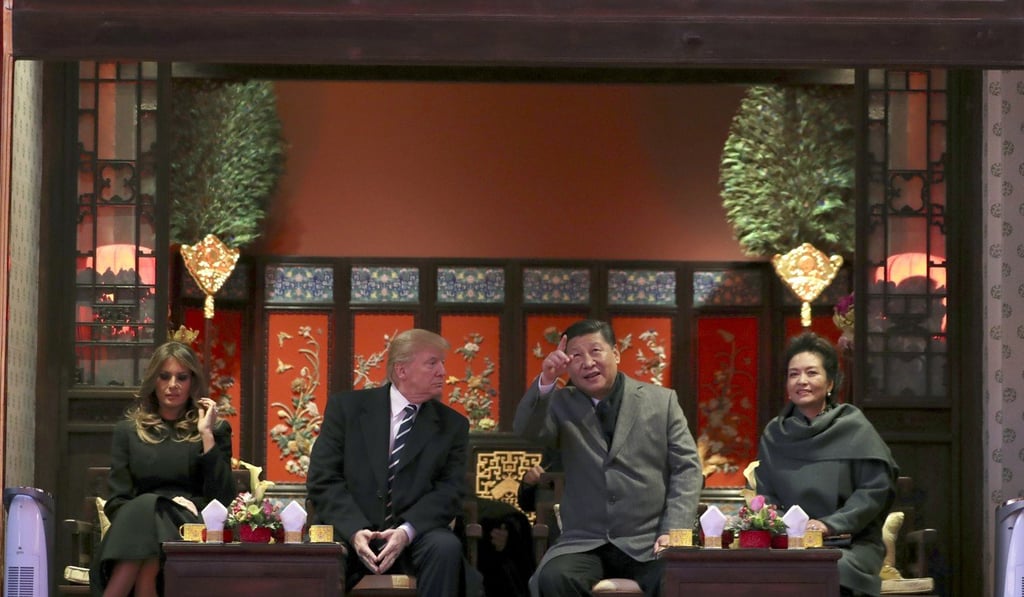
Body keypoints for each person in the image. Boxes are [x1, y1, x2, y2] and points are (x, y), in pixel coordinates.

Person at [513, 319, 703, 597]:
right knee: (554, 578)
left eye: (596, 351)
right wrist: (547, 380)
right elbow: (527, 431)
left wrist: (674, 532)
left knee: (683, 578)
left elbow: (687, 468)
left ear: (615, 353)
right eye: (576, 356)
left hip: (650, 541)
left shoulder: (662, 401)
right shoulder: (559, 402)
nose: (587, 362)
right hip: (584, 542)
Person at [307, 328, 474, 595]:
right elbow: (322, 478)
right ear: (401, 370)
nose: (443, 371)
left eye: (442, 363)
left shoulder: (453, 426)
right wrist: (354, 530)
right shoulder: (347, 408)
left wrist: (406, 532)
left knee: (446, 548)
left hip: (415, 535)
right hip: (349, 531)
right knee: (322, 552)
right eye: (432, 362)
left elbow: (450, 491)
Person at [755, 332, 898, 597]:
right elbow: (766, 494)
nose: (802, 381)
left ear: (830, 382)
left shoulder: (854, 427)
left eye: (811, 373)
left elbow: (874, 491)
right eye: (793, 374)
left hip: (850, 543)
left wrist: (829, 525)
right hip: (790, 543)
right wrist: (781, 522)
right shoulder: (774, 434)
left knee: (829, 569)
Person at [90, 341, 235, 597]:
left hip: (188, 526)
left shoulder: (215, 430)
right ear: (153, 380)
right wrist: (152, 509)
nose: (173, 385)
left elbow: (222, 499)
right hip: (134, 528)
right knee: (148, 514)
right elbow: (117, 501)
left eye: (182, 377)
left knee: (152, 516)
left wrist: (206, 435)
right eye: (164, 376)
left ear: (193, 382)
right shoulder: (128, 431)